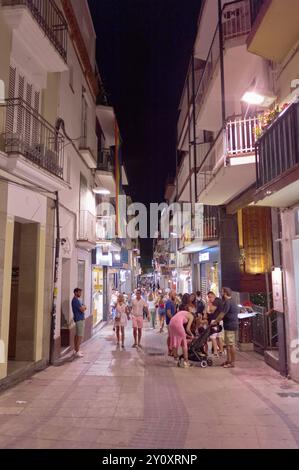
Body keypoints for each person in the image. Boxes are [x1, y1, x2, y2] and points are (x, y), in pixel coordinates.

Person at [213, 287, 239, 368]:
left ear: (225, 293)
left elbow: (222, 314)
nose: (221, 293)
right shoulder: (232, 301)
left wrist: (215, 321)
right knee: (227, 345)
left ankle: (232, 363)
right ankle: (228, 360)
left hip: (230, 325)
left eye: (222, 292)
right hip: (229, 325)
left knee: (231, 344)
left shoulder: (228, 302)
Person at [206, 291, 224, 357]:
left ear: (213, 295)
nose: (210, 299)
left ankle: (215, 352)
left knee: (213, 336)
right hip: (220, 320)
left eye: (210, 297)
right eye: (208, 297)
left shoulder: (216, 301)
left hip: (215, 320)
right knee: (219, 336)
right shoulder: (220, 300)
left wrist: (209, 304)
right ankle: (221, 351)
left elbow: (211, 310)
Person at [71, 288, 87, 357]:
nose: (80, 294)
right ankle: (77, 351)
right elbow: (82, 309)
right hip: (79, 319)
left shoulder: (78, 300)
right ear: (75, 293)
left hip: (79, 319)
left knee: (77, 335)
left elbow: (84, 306)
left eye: (80, 292)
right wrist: (84, 307)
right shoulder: (75, 301)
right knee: (79, 336)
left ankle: (75, 349)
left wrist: (84, 307)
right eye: (79, 292)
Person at [165, 290, 177, 355]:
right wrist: (174, 319)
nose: (175, 296)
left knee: (172, 336)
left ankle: (172, 350)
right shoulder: (169, 302)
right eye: (174, 294)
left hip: (173, 321)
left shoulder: (173, 302)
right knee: (170, 336)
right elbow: (168, 313)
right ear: (170, 295)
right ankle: (169, 350)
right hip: (170, 322)